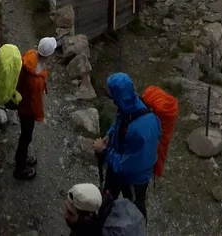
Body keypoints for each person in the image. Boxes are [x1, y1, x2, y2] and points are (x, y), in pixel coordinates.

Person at [93, 73, 161, 219]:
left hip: (134, 178)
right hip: (120, 163)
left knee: (136, 209)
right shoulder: (132, 104)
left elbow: (128, 165)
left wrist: (105, 152)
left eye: (114, 98)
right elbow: (120, 119)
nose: (113, 102)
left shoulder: (141, 129)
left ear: (120, 96)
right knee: (109, 198)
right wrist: (109, 135)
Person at [15, 36, 57, 180]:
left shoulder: (30, 55)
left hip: (21, 102)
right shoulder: (37, 79)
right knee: (26, 137)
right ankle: (19, 169)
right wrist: (39, 116)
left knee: (24, 136)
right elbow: (36, 103)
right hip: (27, 110)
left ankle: (23, 157)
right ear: (49, 54)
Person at [63, 183, 146, 236]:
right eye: (66, 208)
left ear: (87, 217)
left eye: (70, 213)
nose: (65, 215)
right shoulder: (96, 213)